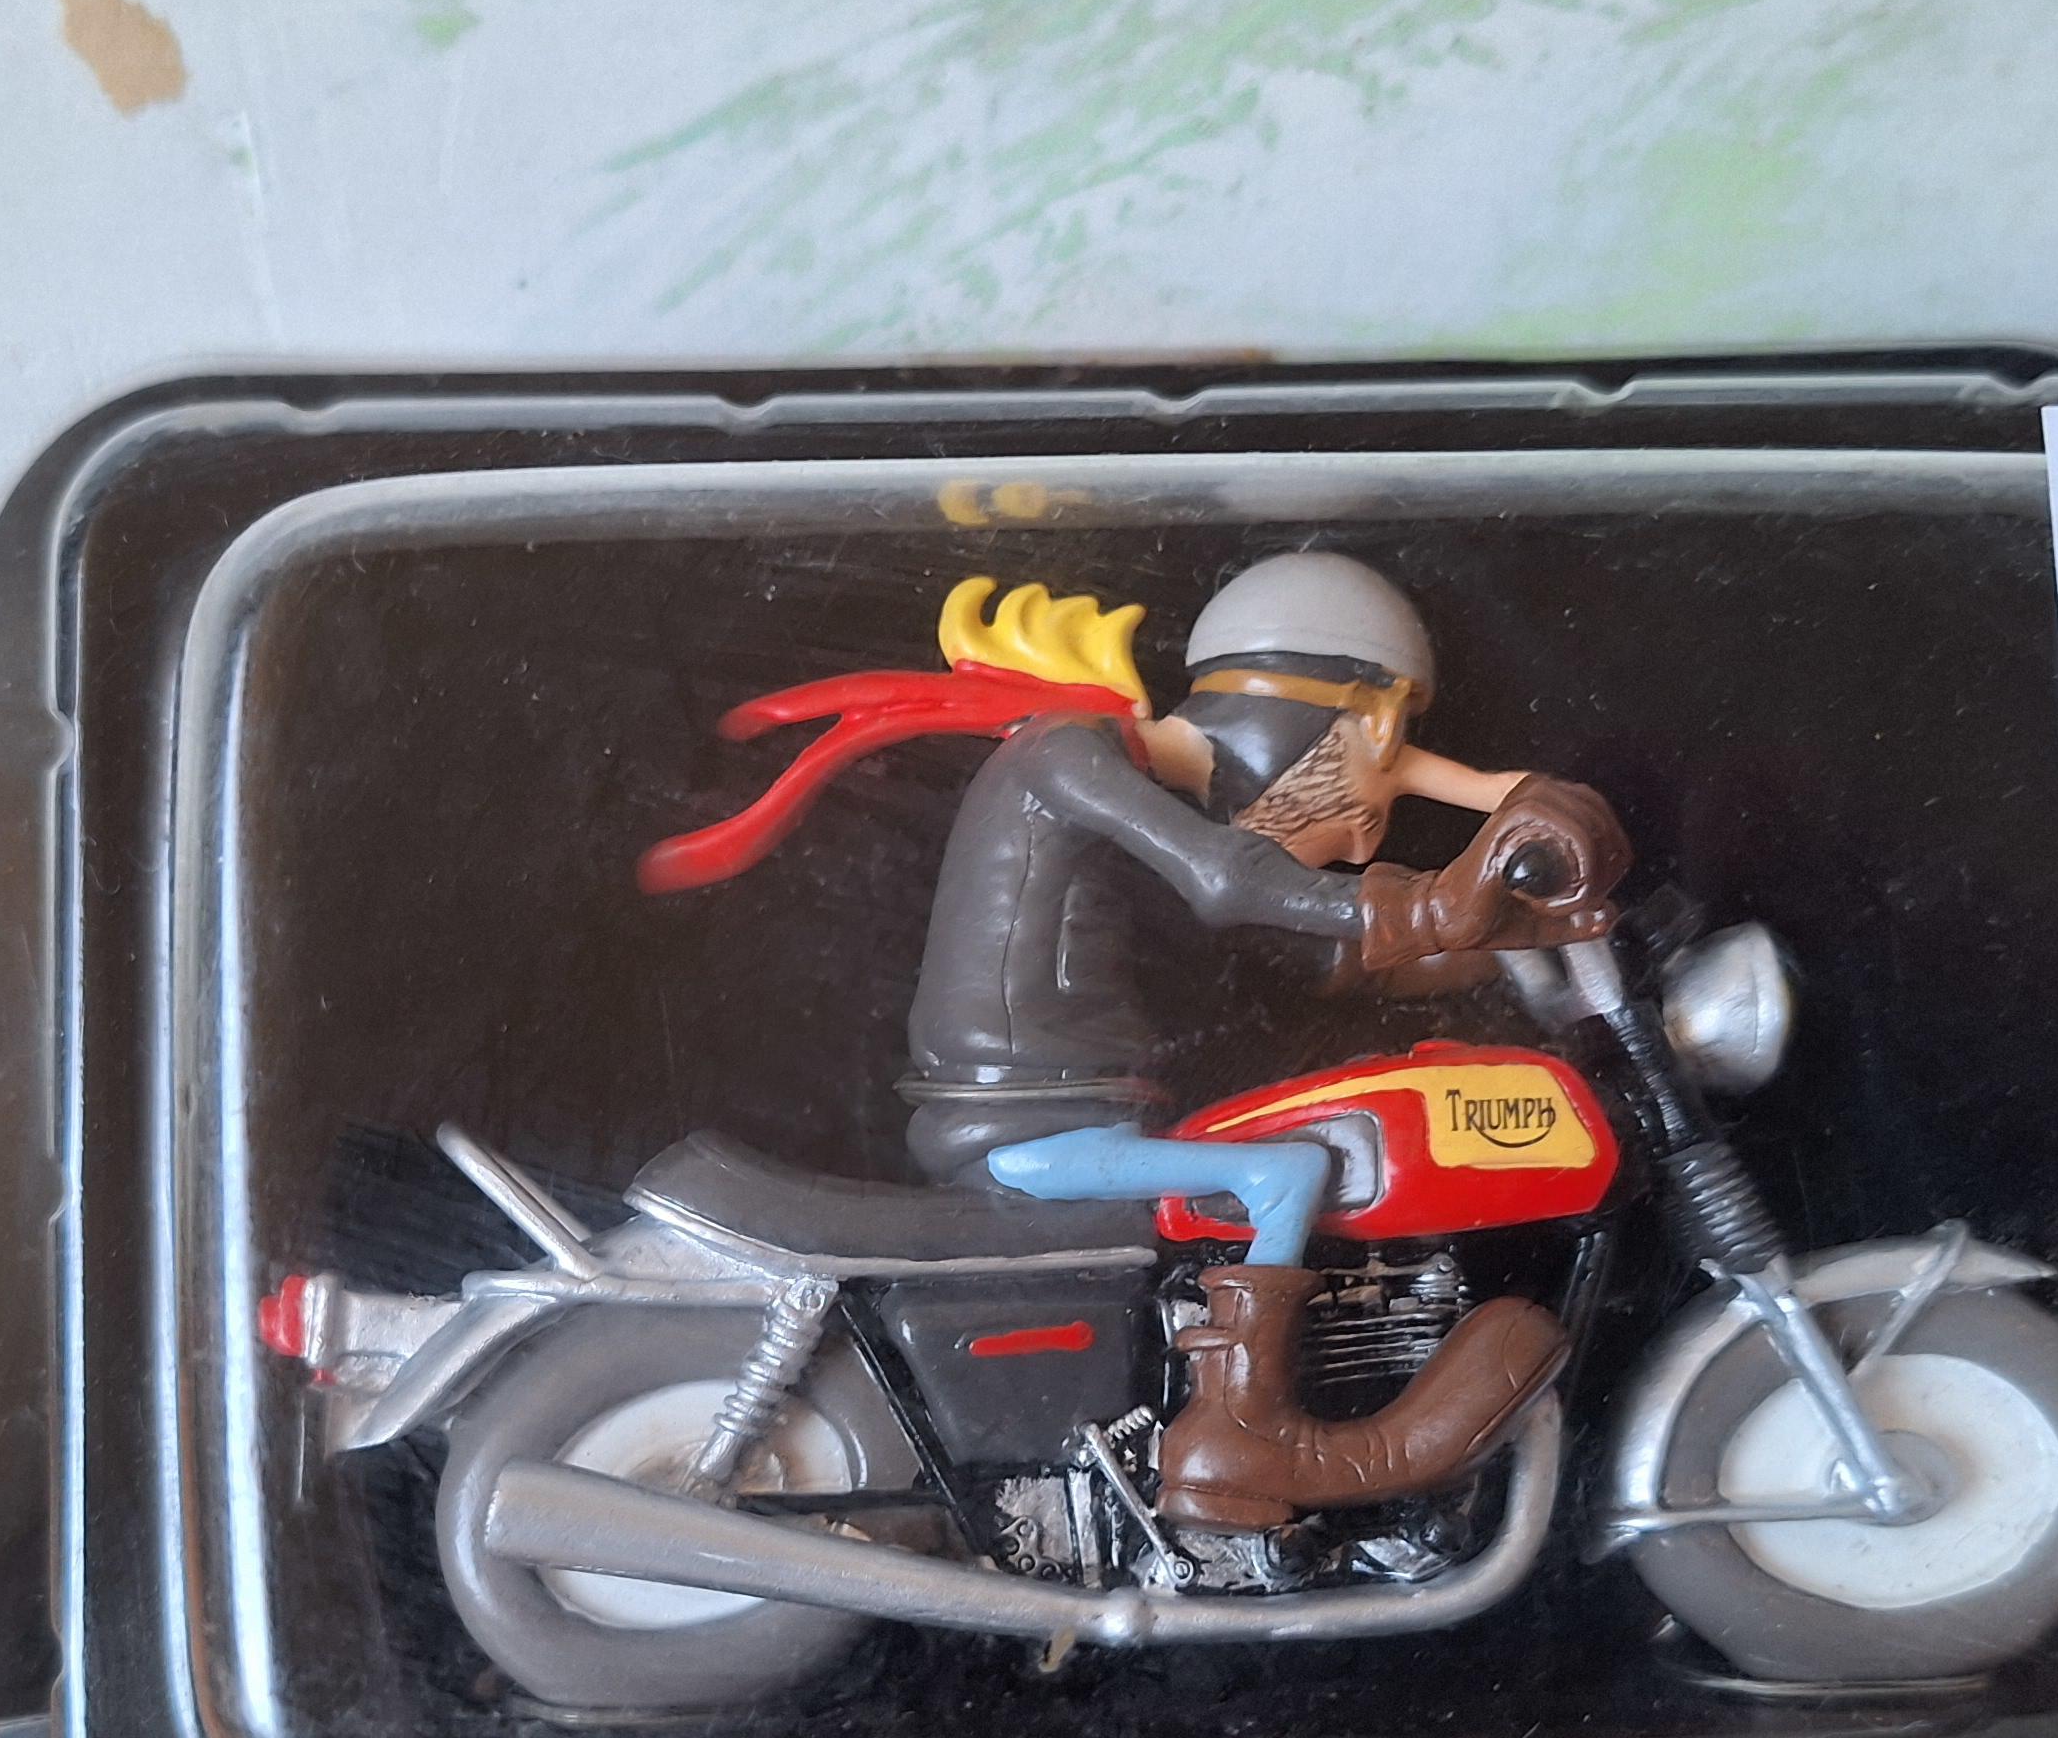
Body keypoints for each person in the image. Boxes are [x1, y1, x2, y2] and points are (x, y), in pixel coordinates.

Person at [640, 551, 1628, 1526]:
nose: (1370, 836)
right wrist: (1430, 902)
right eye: (1389, 777)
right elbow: (1230, 878)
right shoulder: (1068, 753)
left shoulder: (1129, 801)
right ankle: (1239, 1439)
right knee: (1287, 1172)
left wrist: (1509, 933)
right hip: (1027, 1129)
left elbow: (1315, 956)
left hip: (1066, 1119)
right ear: (1365, 721)